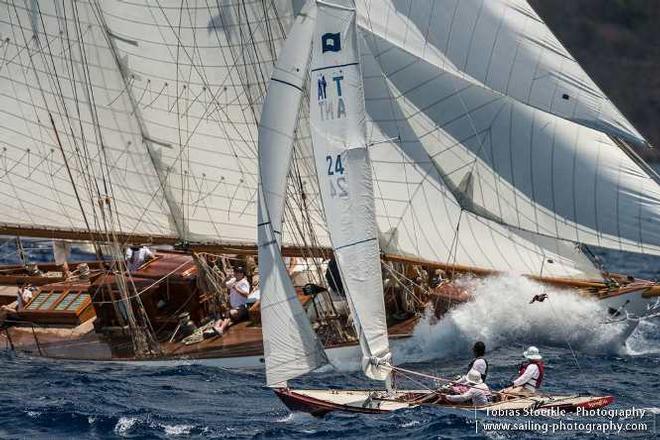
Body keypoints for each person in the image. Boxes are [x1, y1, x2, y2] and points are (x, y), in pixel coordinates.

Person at [213, 267, 251, 336]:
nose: (235, 274)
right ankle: (217, 328)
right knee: (224, 315)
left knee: (230, 314)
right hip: (233, 307)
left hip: (242, 307)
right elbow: (223, 286)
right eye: (235, 272)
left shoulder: (244, 282)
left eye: (237, 273)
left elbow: (246, 294)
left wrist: (236, 288)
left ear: (242, 274)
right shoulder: (233, 280)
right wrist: (226, 279)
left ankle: (221, 328)